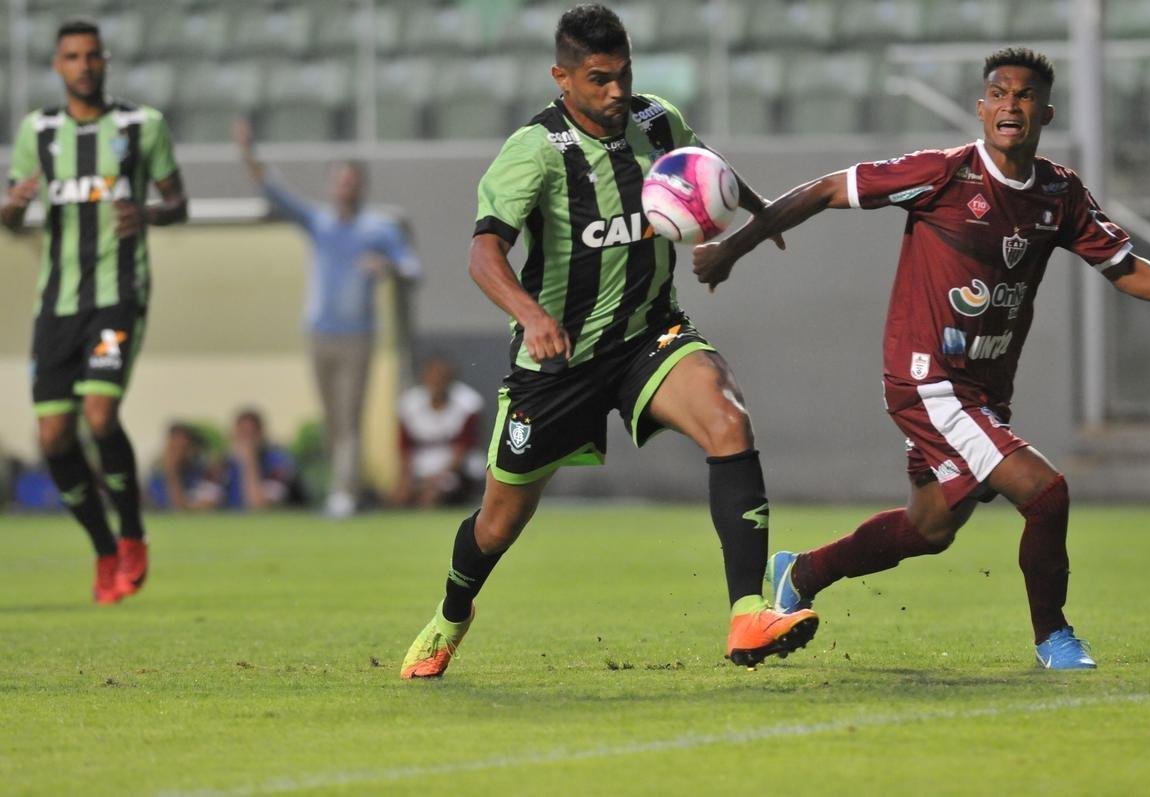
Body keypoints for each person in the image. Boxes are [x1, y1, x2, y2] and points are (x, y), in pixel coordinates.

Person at [693, 47, 1150, 670]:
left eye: (1025, 95)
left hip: (984, 388)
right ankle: (1054, 637)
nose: (1011, 104)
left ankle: (803, 572)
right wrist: (733, 248)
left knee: (930, 528)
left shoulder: (1058, 193)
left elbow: (1125, 270)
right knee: (1045, 494)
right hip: (928, 381)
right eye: (999, 94)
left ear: (1046, 112)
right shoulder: (943, 174)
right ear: (982, 108)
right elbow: (826, 189)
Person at [400, 3, 817, 680]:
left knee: (728, 419)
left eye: (624, 73)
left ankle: (748, 613)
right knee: (497, 525)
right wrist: (532, 316)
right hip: (557, 361)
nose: (617, 90)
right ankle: (452, 613)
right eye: (599, 79)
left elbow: (709, 172)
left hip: (650, 335)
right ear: (562, 77)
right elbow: (483, 254)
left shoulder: (657, 120)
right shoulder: (534, 150)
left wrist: (760, 214)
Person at [1, 19, 188, 603]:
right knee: (54, 436)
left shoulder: (142, 124)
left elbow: (178, 202)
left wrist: (149, 214)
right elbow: (12, 217)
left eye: (92, 55)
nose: (83, 65)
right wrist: (11, 207)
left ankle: (132, 533)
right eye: (72, 57)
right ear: (58, 66)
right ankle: (104, 549)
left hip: (118, 294)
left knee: (100, 416)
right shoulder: (38, 131)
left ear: (105, 61)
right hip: (57, 303)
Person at [233, 121, 421, 518]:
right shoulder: (318, 222)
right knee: (333, 418)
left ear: (361, 186)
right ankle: (344, 485)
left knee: (350, 415)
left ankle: (344, 493)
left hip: (358, 334)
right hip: (320, 332)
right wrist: (248, 152)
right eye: (339, 180)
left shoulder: (378, 227)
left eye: (351, 181)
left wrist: (386, 266)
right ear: (331, 185)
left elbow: (411, 267)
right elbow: (274, 192)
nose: (344, 187)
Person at [393, 355, 486, 509]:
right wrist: (405, 479)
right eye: (432, 377)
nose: (437, 382)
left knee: (432, 496)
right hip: (421, 469)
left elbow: (464, 448)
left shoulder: (468, 403)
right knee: (400, 497)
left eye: (442, 377)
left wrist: (438, 479)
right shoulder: (409, 403)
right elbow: (405, 447)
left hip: (458, 472)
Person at [222, 408, 302, 511]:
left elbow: (259, 506)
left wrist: (249, 462)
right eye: (241, 434)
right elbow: (205, 504)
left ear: (260, 435)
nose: (246, 441)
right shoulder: (224, 463)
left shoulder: (278, 463)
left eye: (250, 434)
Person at [146, 421, 224, 511]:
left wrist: (172, 474)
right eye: (174, 448)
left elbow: (183, 510)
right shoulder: (156, 475)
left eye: (182, 448)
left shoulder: (204, 474)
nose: (178, 454)